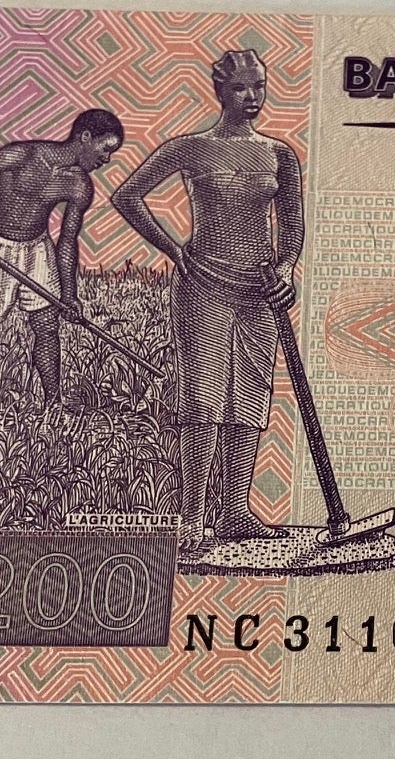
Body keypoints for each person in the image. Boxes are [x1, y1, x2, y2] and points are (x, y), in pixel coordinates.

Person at [107, 50, 302, 549]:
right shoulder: (190, 148)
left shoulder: (279, 155)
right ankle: (192, 519)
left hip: (259, 291)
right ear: (219, 92)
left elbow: (292, 229)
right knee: (202, 399)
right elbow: (126, 196)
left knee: (250, 397)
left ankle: (234, 513)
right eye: (240, 88)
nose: (252, 97)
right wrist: (174, 249)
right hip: (204, 285)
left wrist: (285, 269)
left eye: (259, 86)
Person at [0, 109, 124, 415]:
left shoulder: (80, 185)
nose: (106, 159)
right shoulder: (23, 154)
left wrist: (69, 295)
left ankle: (53, 404)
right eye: (105, 149)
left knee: (47, 327)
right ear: (86, 137)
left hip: (37, 251)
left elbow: (67, 241)